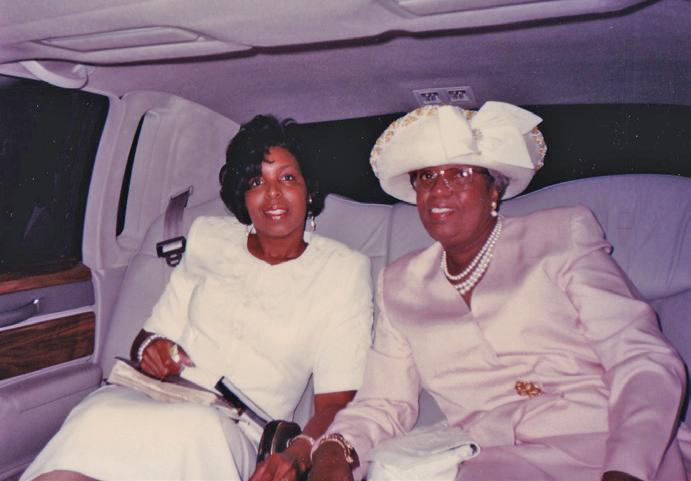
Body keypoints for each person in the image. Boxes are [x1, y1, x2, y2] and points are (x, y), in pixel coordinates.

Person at [308, 102, 691, 481]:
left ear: (493, 189)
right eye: (426, 176)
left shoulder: (561, 235)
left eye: (460, 173)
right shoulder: (399, 284)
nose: (439, 189)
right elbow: (384, 403)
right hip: (500, 462)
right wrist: (334, 449)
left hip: (615, 443)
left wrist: (626, 469)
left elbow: (642, 359)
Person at [21, 115, 373, 481]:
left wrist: (298, 453)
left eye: (287, 178)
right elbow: (148, 339)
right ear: (243, 195)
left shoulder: (343, 271)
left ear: (309, 189)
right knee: (95, 414)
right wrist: (153, 349)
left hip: (233, 429)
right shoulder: (208, 237)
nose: (272, 194)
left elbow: (337, 402)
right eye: (256, 181)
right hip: (155, 396)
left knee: (193, 427)